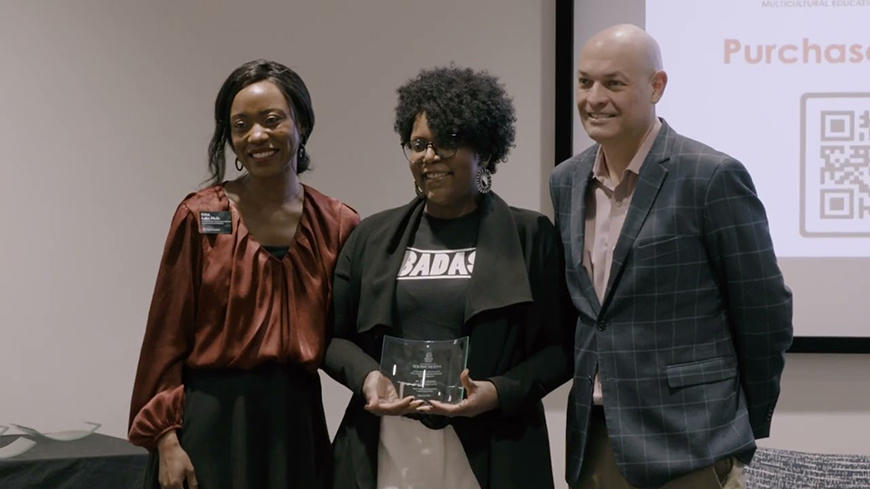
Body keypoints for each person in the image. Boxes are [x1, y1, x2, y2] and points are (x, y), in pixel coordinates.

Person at [550, 24, 794, 489]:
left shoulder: (711, 176)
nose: (594, 98)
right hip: (595, 435)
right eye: (585, 82)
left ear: (656, 86)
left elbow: (765, 311)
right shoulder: (566, 180)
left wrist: (739, 427)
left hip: (691, 440)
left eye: (614, 83)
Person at [322, 66, 572, 489]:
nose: (430, 156)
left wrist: (499, 391)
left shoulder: (530, 236)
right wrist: (369, 378)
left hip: (495, 445)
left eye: (448, 142)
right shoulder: (372, 236)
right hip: (387, 447)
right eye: (418, 144)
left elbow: (566, 346)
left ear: (485, 150)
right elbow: (331, 337)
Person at [128, 59, 359, 489]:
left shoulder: (338, 224)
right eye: (240, 125)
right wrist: (165, 441)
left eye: (272, 120)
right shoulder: (200, 216)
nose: (256, 136)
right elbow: (166, 335)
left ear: (301, 124)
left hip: (296, 427)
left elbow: (354, 338)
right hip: (209, 427)